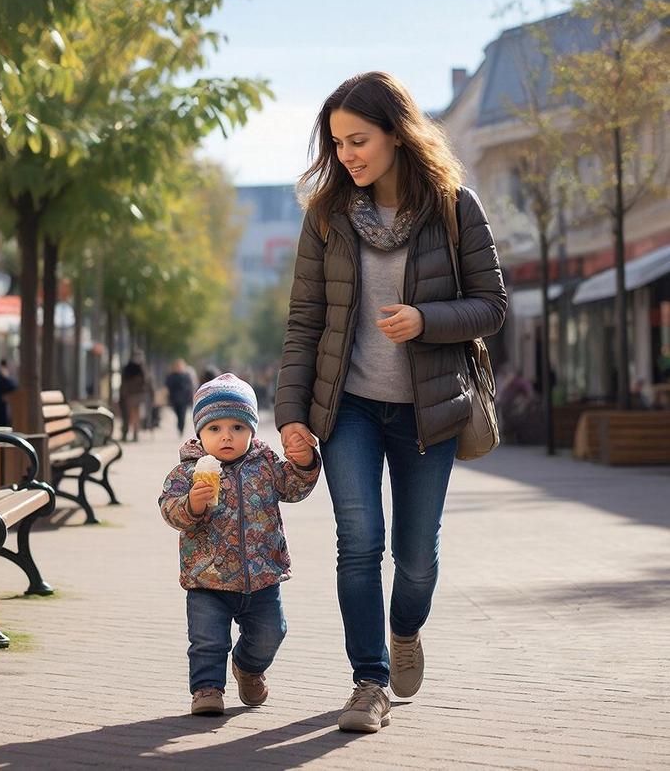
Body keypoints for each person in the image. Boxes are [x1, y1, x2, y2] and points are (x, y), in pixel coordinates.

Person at [275, 72, 507, 733]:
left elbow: (492, 307)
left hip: (428, 410)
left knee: (416, 558)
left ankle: (405, 629)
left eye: (358, 139)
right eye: (337, 142)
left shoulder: (455, 207)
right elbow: (303, 324)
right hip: (348, 406)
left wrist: (426, 320)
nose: (346, 154)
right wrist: (291, 415)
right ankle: (368, 681)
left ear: (396, 134)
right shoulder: (326, 217)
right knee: (359, 542)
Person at [159, 373, 321, 716]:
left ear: (251, 430)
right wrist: (193, 504)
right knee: (207, 641)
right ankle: (207, 690)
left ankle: (248, 667)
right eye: (215, 428)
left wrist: (304, 462)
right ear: (200, 433)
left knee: (271, 632)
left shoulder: (264, 465)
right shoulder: (186, 473)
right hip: (208, 579)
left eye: (237, 427)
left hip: (262, 576)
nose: (227, 436)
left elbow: (293, 487)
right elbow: (170, 510)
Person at [119, 349, 151, 441]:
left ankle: (133, 432)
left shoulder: (128, 369)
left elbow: (123, 383)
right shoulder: (143, 369)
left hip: (131, 395)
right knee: (136, 414)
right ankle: (135, 432)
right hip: (138, 395)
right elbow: (147, 383)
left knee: (131, 414)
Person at [165, 358, 195, 436]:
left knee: (182, 414)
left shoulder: (186, 376)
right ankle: (179, 425)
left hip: (184, 399)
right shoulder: (171, 376)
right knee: (177, 414)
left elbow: (190, 387)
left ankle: (181, 427)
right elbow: (168, 386)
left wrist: (190, 397)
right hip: (174, 399)